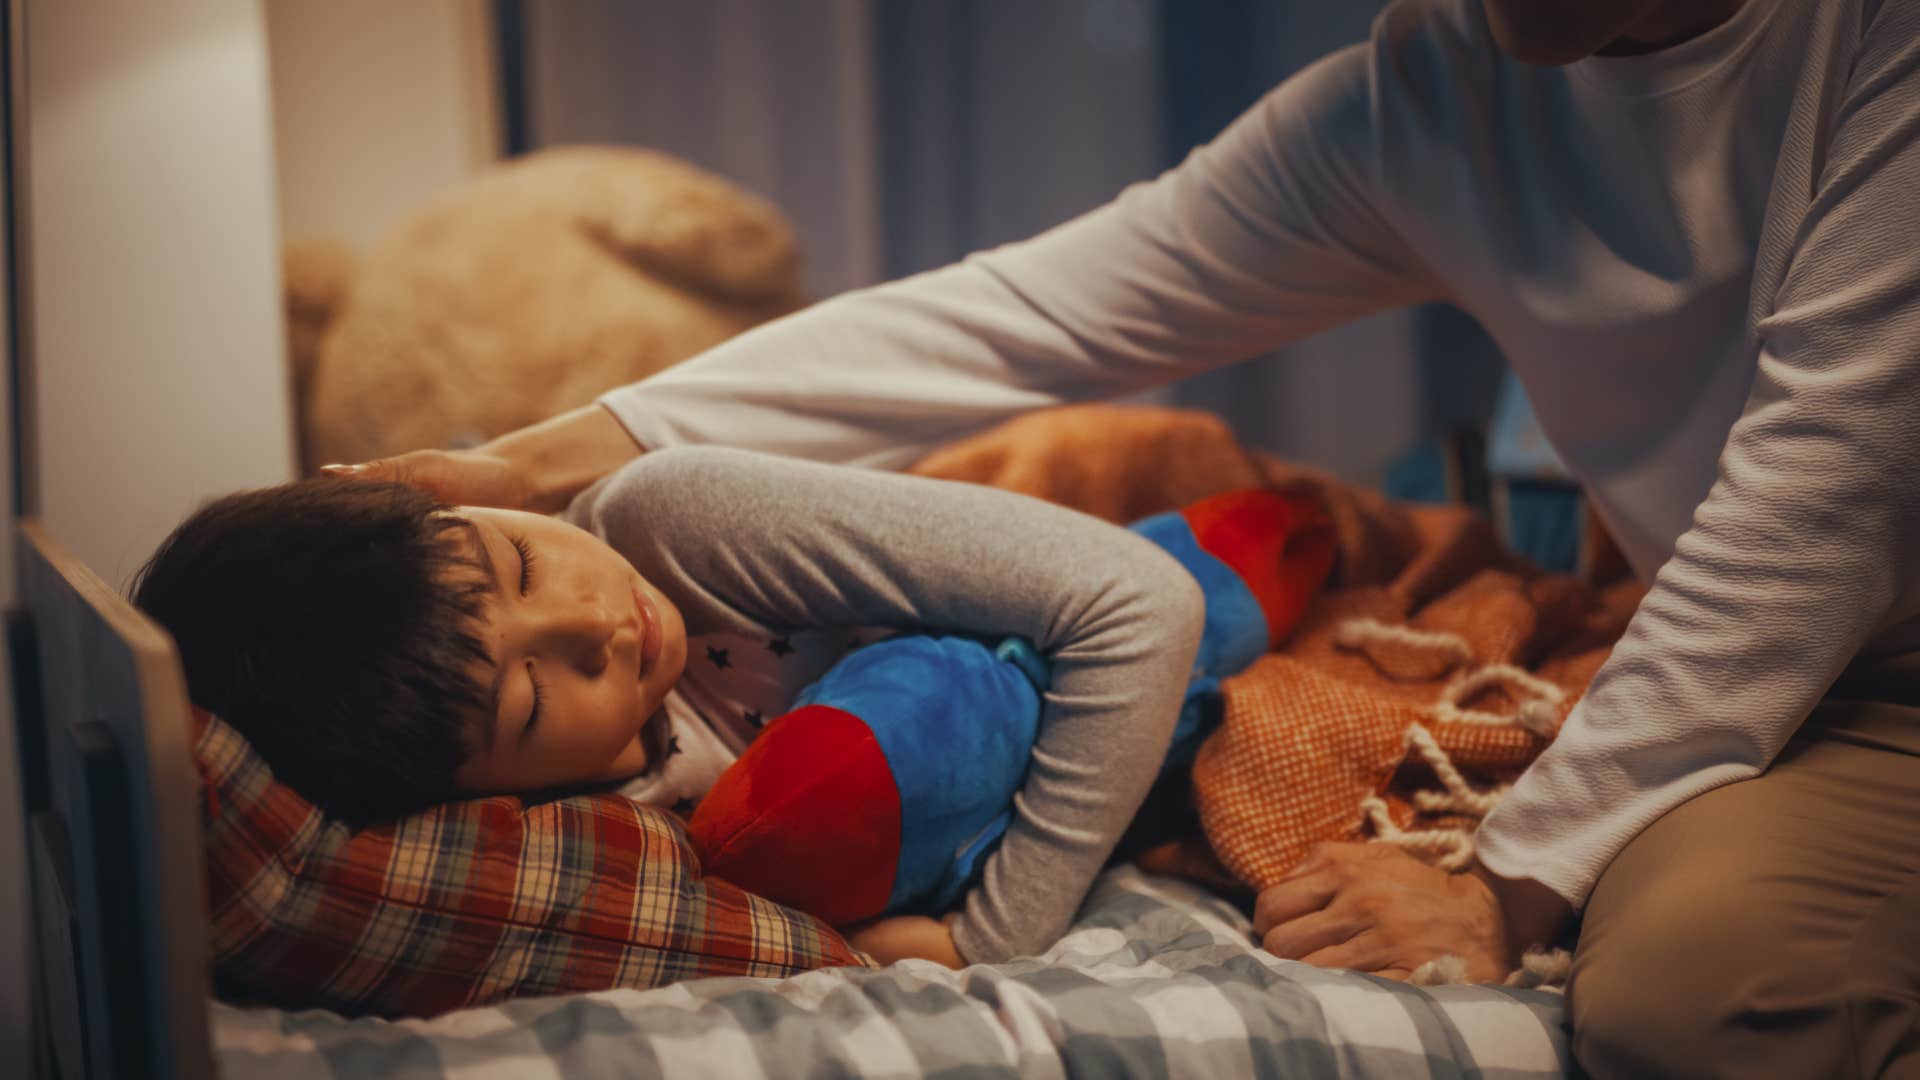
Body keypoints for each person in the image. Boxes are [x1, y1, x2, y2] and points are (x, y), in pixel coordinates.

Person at [334, 0, 1920, 1072]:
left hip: (1860, 643)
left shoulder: (1872, 57)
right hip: (1774, 660)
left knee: (1700, 991)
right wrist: (526, 463)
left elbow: (1820, 505)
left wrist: (1505, 885)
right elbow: (1036, 308)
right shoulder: (1438, 86)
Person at [138, 447, 1213, 968]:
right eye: (528, 701)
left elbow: (1141, 602)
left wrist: (989, 943)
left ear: (445, 492)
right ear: (475, 790)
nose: (592, 625)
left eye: (518, 560)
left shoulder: (681, 525)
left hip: (1095, 581)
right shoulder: (559, 833)